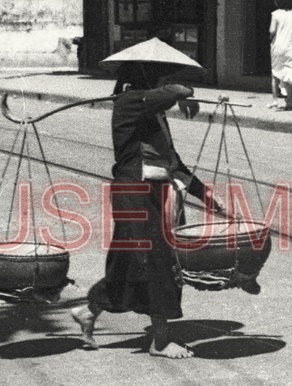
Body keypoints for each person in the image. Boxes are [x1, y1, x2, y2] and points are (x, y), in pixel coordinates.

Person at [70, 63, 224, 358]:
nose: (165, 84)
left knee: (130, 263)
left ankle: (88, 312)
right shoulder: (129, 103)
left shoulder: (152, 112)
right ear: (146, 78)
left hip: (157, 194)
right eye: (162, 78)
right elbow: (175, 91)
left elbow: (174, 164)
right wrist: (183, 94)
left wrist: (207, 196)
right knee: (158, 261)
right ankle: (161, 341)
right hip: (134, 195)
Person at [268, 0, 292, 110]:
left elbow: (272, 30)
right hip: (291, 47)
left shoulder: (276, 14)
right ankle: (289, 101)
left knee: (275, 74)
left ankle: (274, 101)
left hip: (278, 46)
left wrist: (271, 39)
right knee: (289, 74)